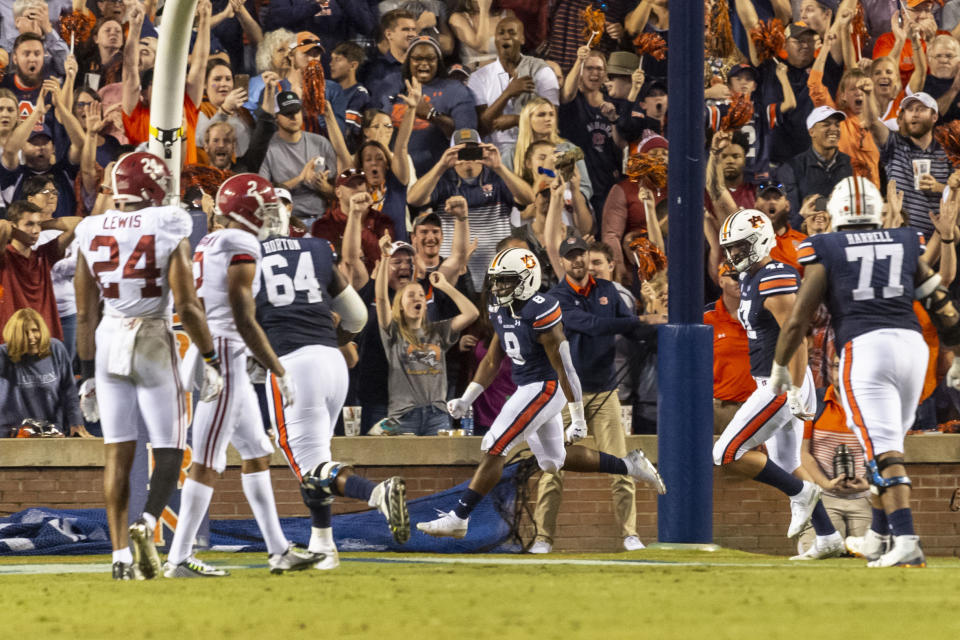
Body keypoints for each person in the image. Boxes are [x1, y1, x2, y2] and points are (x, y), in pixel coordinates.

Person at [771, 176, 960, 567]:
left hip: (866, 349)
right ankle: (877, 534)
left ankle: (906, 539)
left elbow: (797, 320)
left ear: (838, 211)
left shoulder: (826, 246)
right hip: (912, 349)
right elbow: (939, 298)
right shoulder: (905, 240)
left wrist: (779, 367)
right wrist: (956, 353)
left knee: (883, 449)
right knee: (885, 443)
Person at [417, 247, 666, 539]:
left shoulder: (542, 309)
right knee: (554, 460)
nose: (498, 287)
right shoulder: (499, 306)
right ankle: (629, 464)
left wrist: (578, 419)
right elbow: (492, 360)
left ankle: (459, 517)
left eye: (506, 280)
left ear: (527, 280)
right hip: (527, 387)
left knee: (496, 444)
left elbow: (566, 368)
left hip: (545, 387)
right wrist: (467, 397)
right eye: (496, 280)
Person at [73, 151, 224, 580]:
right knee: (171, 449)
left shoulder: (89, 227)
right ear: (153, 189)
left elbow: (85, 314)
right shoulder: (168, 221)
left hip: (107, 339)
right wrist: (209, 356)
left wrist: (85, 375)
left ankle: (119, 555)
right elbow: (188, 304)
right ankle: (147, 522)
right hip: (153, 337)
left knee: (117, 452)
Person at [163, 174, 317, 578]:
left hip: (220, 349)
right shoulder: (241, 243)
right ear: (247, 210)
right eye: (264, 208)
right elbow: (244, 318)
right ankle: (178, 558)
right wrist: (277, 367)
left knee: (255, 452)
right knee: (208, 460)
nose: (270, 217)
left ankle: (279, 549)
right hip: (224, 355)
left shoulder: (212, 239)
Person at [255, 195, 410, 569]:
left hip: (291, 368)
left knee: (310, 468)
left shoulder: (244, 254)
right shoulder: (316, 249)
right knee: (319, 464)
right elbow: (356, 318)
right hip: (332, 363)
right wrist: (329, 341)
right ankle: (323, 545)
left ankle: (375, 494)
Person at [713, 208, 844, 558]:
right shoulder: (752, 278)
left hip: (780, 382)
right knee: (787, 465)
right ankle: (829, 536)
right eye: (730, 248)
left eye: (739, 247)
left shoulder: (775, 275)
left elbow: (796, 332)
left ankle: (801, 494)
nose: (732, 255)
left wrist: (798, 387)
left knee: (725, 453)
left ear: (758, 241)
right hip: (772, 382)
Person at [530, 229, 654, 553]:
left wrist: (656, 329)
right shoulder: (556, 298)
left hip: (604, 389)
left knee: (622, 464)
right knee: (553, 467)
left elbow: (632, 325)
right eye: (570, 256)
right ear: (562, 262)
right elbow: (592, 325)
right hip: (566, 394)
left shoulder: (609, 291)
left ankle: (630, 534)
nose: (578, 260)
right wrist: (639, 321)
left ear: (587, 256)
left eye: (581, 254)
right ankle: (543, 537)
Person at [376, 219, 479, 435]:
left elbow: (472, 313)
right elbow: (382, 299)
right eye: (411, 295)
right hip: (403, 416)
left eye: (421, 295)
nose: (418, 299)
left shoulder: (438, 330)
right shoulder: (393, 332)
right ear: (401, 306)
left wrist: (445, 286)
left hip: (438, 414)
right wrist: (385, 257)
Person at [467, 17, 559, 150]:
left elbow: (551, 121)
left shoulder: (541, 71)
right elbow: (481, 128)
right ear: (495, 40)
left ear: (522, 39)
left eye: (512, 33)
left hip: (533, 150)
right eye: (501, 33)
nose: (506, 37)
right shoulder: (479, 77)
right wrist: (508, 93)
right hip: (494, 153)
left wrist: (517, 120)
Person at [0, 308, 88, 437]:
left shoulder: (56, 349)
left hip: (51, 432)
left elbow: (69, 390)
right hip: (12, 434)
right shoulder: (3, 355)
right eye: (24, 333)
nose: (31, 337)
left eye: (35, 330)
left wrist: (76, 422)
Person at [0, 201, 79, 342]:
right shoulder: (4, 258)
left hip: (45, 338)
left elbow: (78, 223)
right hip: (13, 341)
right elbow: (3, 226)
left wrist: (43, 224)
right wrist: (13, 229)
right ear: (14, 226)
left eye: (38, 224)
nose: (36, 230)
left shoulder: (44, 255)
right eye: (29, 224)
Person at [258, 90, 337, 226]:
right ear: (276, 117)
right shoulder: (267, 148)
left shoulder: (320, 142)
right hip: (287, 221)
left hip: (321, 219)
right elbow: (264, 195)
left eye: (296, 111)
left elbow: (339, 192)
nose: (294, 117)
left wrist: (324, 187)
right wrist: (300, 179)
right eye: (288, 113)